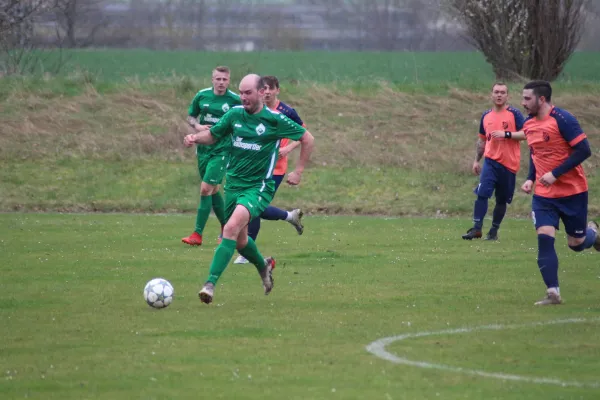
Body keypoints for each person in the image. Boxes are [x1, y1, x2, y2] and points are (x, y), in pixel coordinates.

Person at [183, 74, 315, 304]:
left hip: (258, 187)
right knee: (241, 241)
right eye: (241, 92)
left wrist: (298, 171)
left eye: (248, 93)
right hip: (233, 185)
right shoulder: (234, 114)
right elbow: (213, 136)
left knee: (230, 227)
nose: (243, 97)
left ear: (261, 92)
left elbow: (307, 138)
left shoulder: (274, 120)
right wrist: (195, 137)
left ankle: (210, 284)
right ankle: (263, 266)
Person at [520, 80, 599, 305]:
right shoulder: (528, 124)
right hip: (544, 196)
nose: (523, 103)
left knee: (576, 244)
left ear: (541, 99)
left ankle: (593, 233)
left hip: (573, 192)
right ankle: (553, 292)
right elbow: (536, 153)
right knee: (545, 239)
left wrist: (555, 173)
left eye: (527, 98)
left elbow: (584, 150)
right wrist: (529, 178)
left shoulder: (563, 120)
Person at [233, 75, 305, 265]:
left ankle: (247, 252)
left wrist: (288, 148)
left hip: (276, 169)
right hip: (255, 167)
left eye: (269, 89)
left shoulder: (287, 112)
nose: (266, 93)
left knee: (253, 209)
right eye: (262, 89)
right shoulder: (254, 110)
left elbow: (303, 135)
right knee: (254, 207)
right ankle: (290, 216)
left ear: (276, 90)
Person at [181, 66, 241, 246]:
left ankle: (197, 234)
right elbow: (190, 117)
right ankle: (226, 227)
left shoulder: (235, 100)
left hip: (222, 150)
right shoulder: (202, 96)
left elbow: (241, 122)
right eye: (218, 79)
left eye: (224, 79)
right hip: (203, 149)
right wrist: (197, 127)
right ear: (212, 79)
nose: (221, 82)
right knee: (213, 190)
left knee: (206, 188)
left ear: (229, 81)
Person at [462, 83, 526, 241]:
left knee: (501, 200)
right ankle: (476, 229)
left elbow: (526, 133)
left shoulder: (514, 114)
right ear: (491, 95)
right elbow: (482, 141)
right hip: (490, 162)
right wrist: (476, 160)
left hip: (509, 164)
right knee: (482, 194)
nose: (499, 95)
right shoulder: (486, 116)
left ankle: (494, 231)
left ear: (507, 96)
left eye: (502, 92)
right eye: (496, 92)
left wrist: (507, 134)